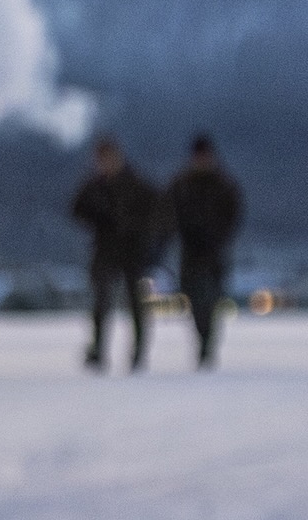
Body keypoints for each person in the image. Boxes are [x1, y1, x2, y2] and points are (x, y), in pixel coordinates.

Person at [71, 134, 166, 370]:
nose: (104, 164)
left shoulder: (136, 184)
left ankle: (138, 353)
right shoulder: (95, 186)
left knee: (135, 303)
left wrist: (143, 236)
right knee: (101, 302)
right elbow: (76, 208)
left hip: (133, 251)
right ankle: (99, 350)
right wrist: (98, 216)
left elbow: (158, 213)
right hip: (105, 250)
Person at [165, 134, 245, 364]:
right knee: (192, 297)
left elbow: (234, 213)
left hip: (214, 251)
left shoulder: (223, 184)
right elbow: (167, 212)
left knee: (211, 299)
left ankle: (207, 344)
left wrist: (220, 235)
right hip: (190, 251)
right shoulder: (181, 183)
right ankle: (203, 339)